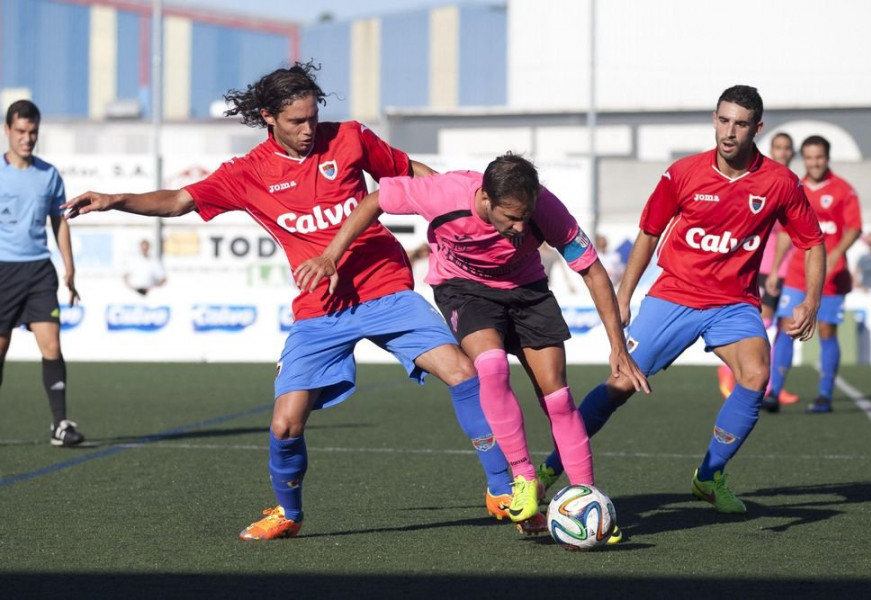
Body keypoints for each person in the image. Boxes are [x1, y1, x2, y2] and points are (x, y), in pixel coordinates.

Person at [63, 61, 525, 540]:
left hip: (385, 286)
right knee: (285, 424)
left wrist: (464, 206)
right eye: (296, 122)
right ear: (268, 117)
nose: (309, 130)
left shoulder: (349, 137)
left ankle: (501, 488)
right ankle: (288, 513)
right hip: (320, 308)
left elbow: (414, 174)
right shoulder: (246, 174)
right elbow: (178, 200)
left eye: (312, 117)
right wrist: (116, 199)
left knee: (463, 372)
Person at [294, 153, 650, 538]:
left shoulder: (544, 206)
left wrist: (617, 347)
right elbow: (376, 199)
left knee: (558, 397)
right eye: (510, 217)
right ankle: (523, 479)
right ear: (485, 199)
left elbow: (593, 271)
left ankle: (586, 498)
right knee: (492, 366)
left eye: (525, 217)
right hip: (464, 290)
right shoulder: (443, 193)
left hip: (527, 292)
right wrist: (331, 256)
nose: (519, 226)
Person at [537, 85, 825, 514]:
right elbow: (649, 233)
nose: (729, 132)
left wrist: (811, 301)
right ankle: (548, 470)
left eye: (741, 124)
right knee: (619, 383)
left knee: (756, 373)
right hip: (674, 295)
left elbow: (813, 242)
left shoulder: (780, 182)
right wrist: (625, 294)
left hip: (733, 304)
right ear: (714, 119)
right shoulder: (683, 173)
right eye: (723, 120)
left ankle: (709, 477)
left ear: (757, 128)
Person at [0, 99, 84, 447]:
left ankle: (60, 425)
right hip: (3, 272)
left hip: (39, 272)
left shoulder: (49, 175)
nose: (27, 138)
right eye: (20, 131)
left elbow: (59, 221)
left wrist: (69, 268)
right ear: (8, 131)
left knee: (52, 345)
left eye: (32, 132)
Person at [767, 135, 862, 413]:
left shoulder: (844, 190)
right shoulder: (795, 187)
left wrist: (835, 254)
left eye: (818, 157)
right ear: (803, 158)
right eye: (809, 157)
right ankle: (774, 392)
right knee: (786, 327)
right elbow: (785, 231)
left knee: (826, 330)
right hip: (798, 272)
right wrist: (775, 269)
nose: (814, 162)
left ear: (827, 157)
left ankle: (824, 395)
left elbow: (854, 228)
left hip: (831, 275)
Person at [717, 131, 799, 405]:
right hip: (767, 266)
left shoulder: (791, 182)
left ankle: (773, 385)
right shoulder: (764, 181)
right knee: (761, 324)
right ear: (771, 150)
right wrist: (774, 269)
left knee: (782, 327)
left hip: (791, 269)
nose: (783, 152)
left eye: (787, 148)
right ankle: (730, 369)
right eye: (778, 147)